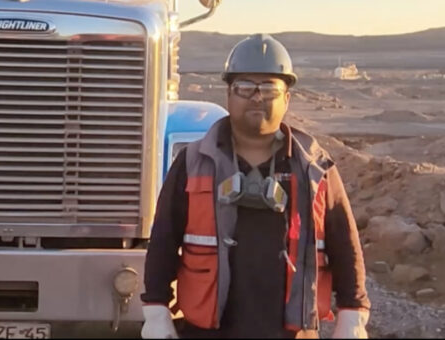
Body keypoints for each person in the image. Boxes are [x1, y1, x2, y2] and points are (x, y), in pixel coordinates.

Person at [140, 33, 370, 339]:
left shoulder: (315, 168)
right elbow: (163, 239)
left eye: (270, 88)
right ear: (228, 95)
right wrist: (156, 308)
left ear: (287, 99)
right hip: (208, 332)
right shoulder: (193, 162)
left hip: (292, 332)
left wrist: (352, 313)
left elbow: (345, 244)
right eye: (245, 87)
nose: (257, 97)